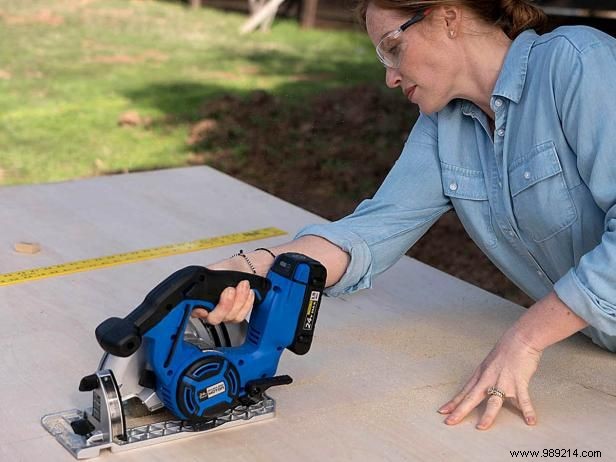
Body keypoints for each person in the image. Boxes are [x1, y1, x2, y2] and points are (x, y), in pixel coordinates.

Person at [194, 0, 616, 430]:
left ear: (448, 17)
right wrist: (249, 267)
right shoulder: (443, 124)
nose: (390, 77)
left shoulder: (577, 63)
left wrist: (526, 339)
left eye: (393, 48)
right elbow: (371, 231)